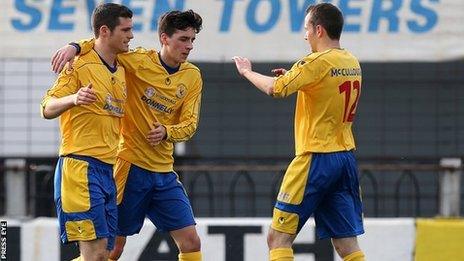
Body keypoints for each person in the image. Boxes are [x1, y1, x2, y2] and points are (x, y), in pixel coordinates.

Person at [51, 10, 204, 261]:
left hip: (164, 171)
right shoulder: (137, 61)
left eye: (192, 40)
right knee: (110, 250)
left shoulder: (192, 76)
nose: (188, 46)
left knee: (190, 241)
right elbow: (105, 46)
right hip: (129, 166)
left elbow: (190, 124)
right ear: (164, 38)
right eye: (183, 39)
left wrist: (168, 131)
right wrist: (75, 46)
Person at [232, 3, 365, 261]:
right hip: (345, 158)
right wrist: (299, 79)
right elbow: (327, 90)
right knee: (347, 244)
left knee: (278, 238)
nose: (305, 36)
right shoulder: (351, 61)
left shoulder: (316, 62)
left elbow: (276, 88)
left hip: (316, 158)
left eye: (306, 29)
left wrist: (247, 71)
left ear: (318, 29)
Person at [41, 3, 133, 261]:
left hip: (107, 170)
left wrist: (76, 43)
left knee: (103, 255)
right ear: (105, 31)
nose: (131, 36)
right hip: (80, 167)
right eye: (125, 30)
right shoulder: (79, 65)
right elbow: (47, 107)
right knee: (94, 254)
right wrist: (73, 98)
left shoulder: (124, 66)